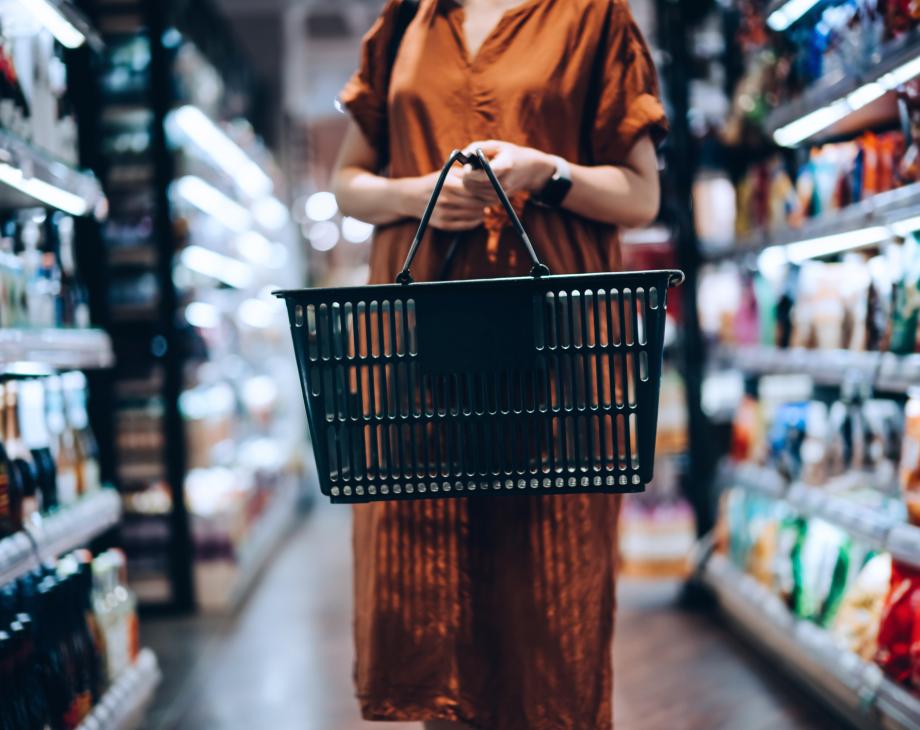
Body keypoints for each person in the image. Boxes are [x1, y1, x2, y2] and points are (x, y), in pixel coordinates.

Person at [332, 0, 667, 727]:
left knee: (551, 598)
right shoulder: (406, 21)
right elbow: (347, 182)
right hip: (420, 352)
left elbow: (641, 195)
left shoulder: (592, 18)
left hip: (560, 360)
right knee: (434, 589)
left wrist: (545, 171)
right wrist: (419, 194)